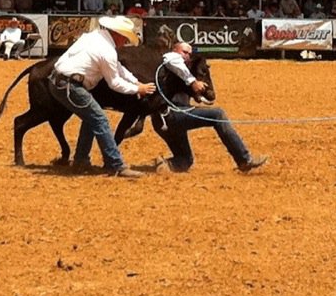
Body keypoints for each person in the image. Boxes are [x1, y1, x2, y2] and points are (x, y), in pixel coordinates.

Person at [48, 16, 156, 177]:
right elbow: (115, 83)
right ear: (118, 34)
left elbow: (117, 67)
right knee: (99, 118)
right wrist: (137, 89)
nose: (125, 42)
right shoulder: (107, 51)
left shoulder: (93, 36)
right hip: (70, 86)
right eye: (125, 38)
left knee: (92, 117)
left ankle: (81, 161)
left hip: (59, 81)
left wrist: (135, 81)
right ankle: (116, 165)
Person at [154, 42, 268, 173]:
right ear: (174, 50)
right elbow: (172, 60)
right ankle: (244, 159)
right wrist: (193, 82)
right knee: (217, 114)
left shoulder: (180, 70)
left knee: (185, 160)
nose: (186, 56)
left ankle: (164, 165)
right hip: (172, 115)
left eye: (189, 54)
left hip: (165, 120)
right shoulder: (171, 59)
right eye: (184, 52)